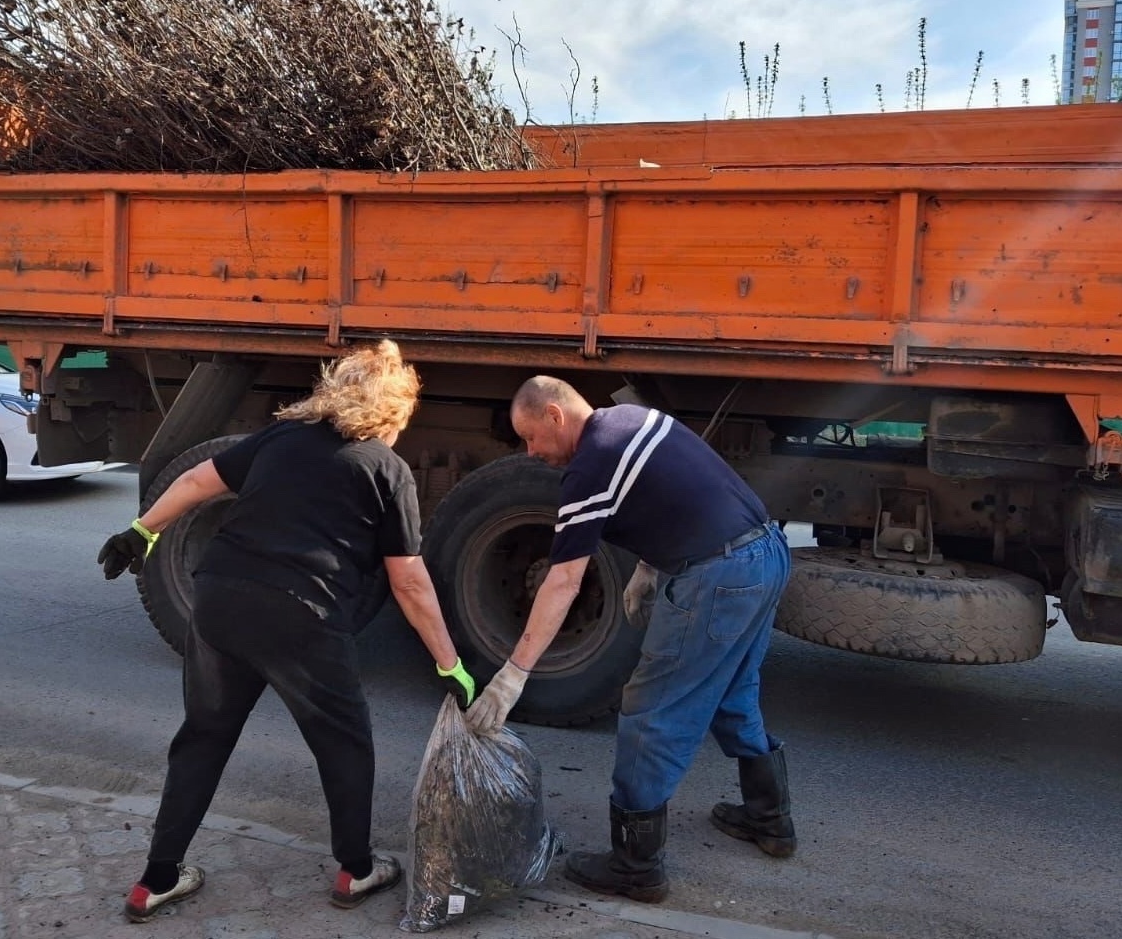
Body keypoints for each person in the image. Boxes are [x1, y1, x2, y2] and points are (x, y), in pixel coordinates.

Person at [96, 340, 476, 923]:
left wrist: (141, 532)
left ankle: (156, 880)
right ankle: (355, 869)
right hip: (302, 615)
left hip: (219, 598)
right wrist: (450, 665)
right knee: (344, 742)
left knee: (203, 737)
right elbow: (408, 581)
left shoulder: (281, 438)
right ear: (391, 411)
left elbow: (197, 480)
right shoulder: (385, 468)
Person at [464, 375, 795, 904]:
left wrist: (513, 674)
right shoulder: (632, 420)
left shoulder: (589, 466)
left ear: (555, 416)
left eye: (531, 437)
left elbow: (563, 581)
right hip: (766, 555)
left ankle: (635, 866)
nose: (530, 452)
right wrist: (648, 566)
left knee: (650, 712)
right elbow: (674, 493)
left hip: (719, 575)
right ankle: (770, 819)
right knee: (733, 689)